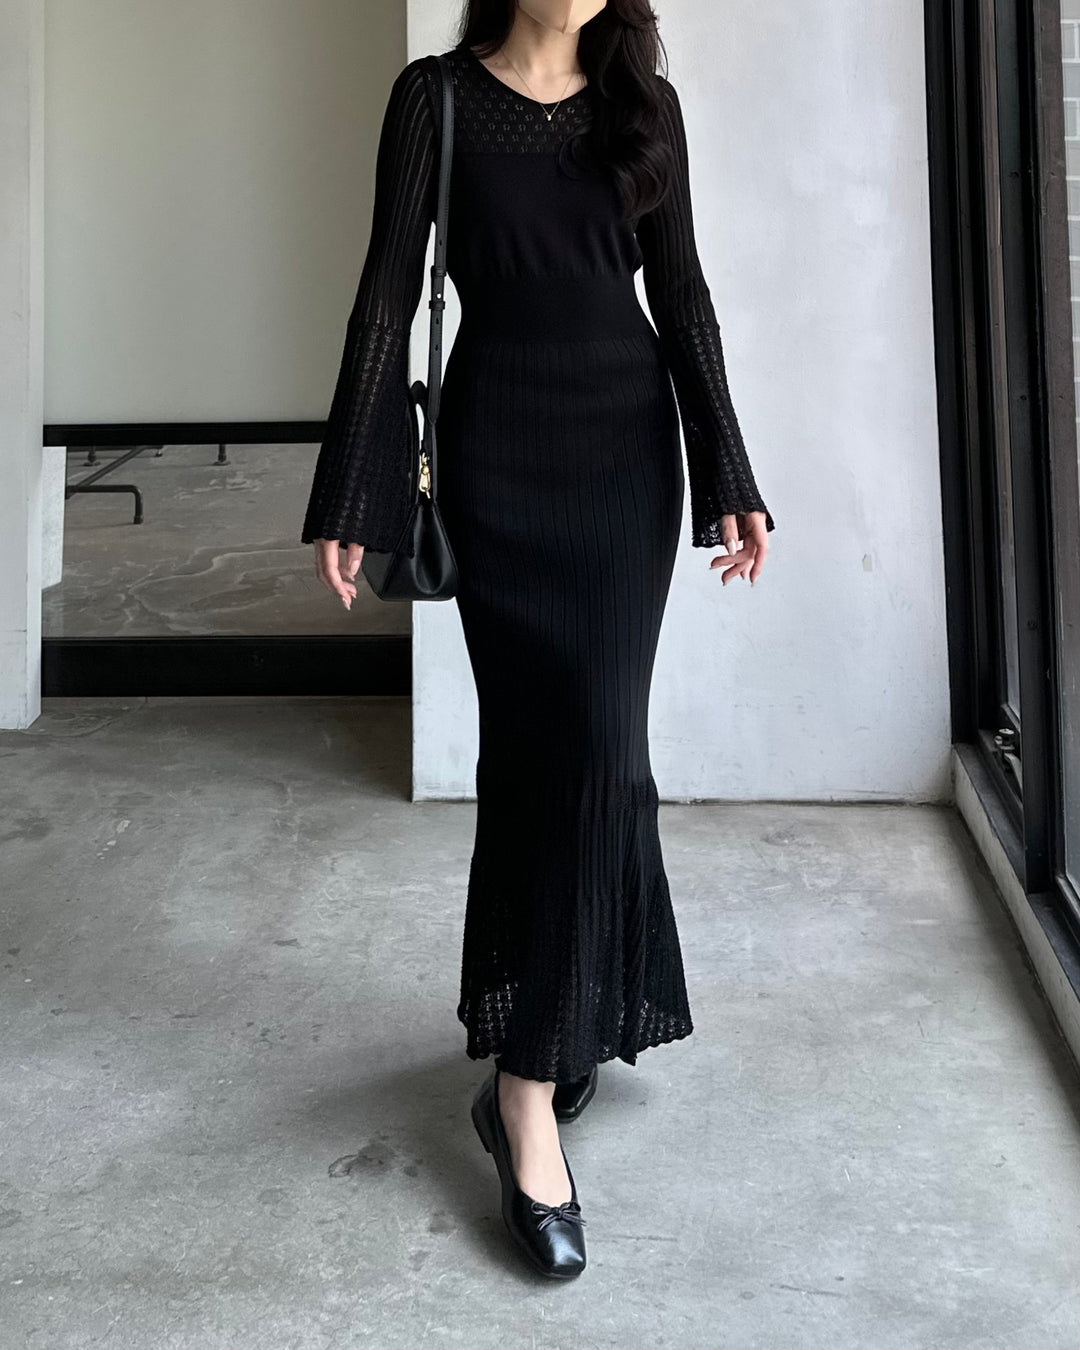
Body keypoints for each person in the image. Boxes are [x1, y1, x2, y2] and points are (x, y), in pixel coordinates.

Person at [300, 0, 774, 1280]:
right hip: (496, 464)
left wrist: (729, 469)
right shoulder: (437, 100)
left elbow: (684, 296)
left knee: (604, 755)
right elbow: (383, 298)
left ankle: (528, 1069)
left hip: (625, 464)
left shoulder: (643, 107)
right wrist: (351, 490)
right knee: (534, 761)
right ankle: (535, 1066)